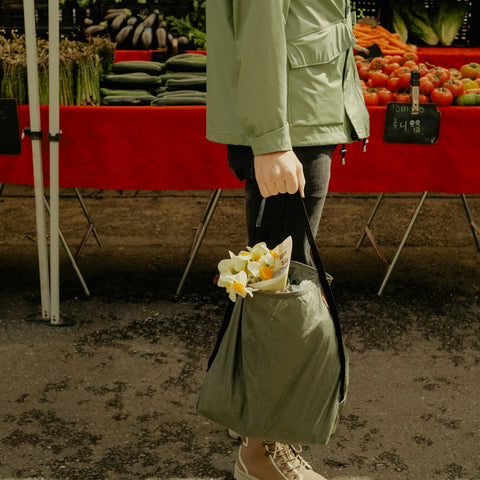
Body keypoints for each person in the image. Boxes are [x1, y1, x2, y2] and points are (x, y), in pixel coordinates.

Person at [205, 1, 370, 479]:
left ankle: (258, 432)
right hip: (288, 126)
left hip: (299, 114)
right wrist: (273, 141)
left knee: (272, 286)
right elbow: (259, 33)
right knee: (278, 296)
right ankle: (259, 456)